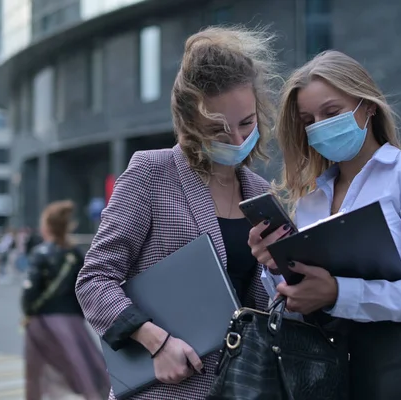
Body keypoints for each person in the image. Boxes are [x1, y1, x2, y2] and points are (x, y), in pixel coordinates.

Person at [75, 26, 278, 399]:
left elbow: (259, 310)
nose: (237, 139)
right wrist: (156, 341)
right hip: (162, 389)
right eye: (218, 129)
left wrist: (274, 268)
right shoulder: (151, 172)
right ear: (190, 123)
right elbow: (94, 280)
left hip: (239, 388)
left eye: (246, 123)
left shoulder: (261, 193)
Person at [248, 50, 401, 399]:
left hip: (396, 369)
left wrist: (338, 293)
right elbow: (300, 300)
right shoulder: (310, 199)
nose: (319, 126)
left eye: (331, 112)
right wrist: (274, 265)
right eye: (308, 119)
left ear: (367, 106)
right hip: (322, 372)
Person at [21, 200, 109, 400]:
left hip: (42, 322)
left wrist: (28, 312)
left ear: (47, 227)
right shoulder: (76, 254)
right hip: (72, 322)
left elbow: (30, 292)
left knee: (37, 373)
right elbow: (83, 289)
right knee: (84, 368)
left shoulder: (40, 254)